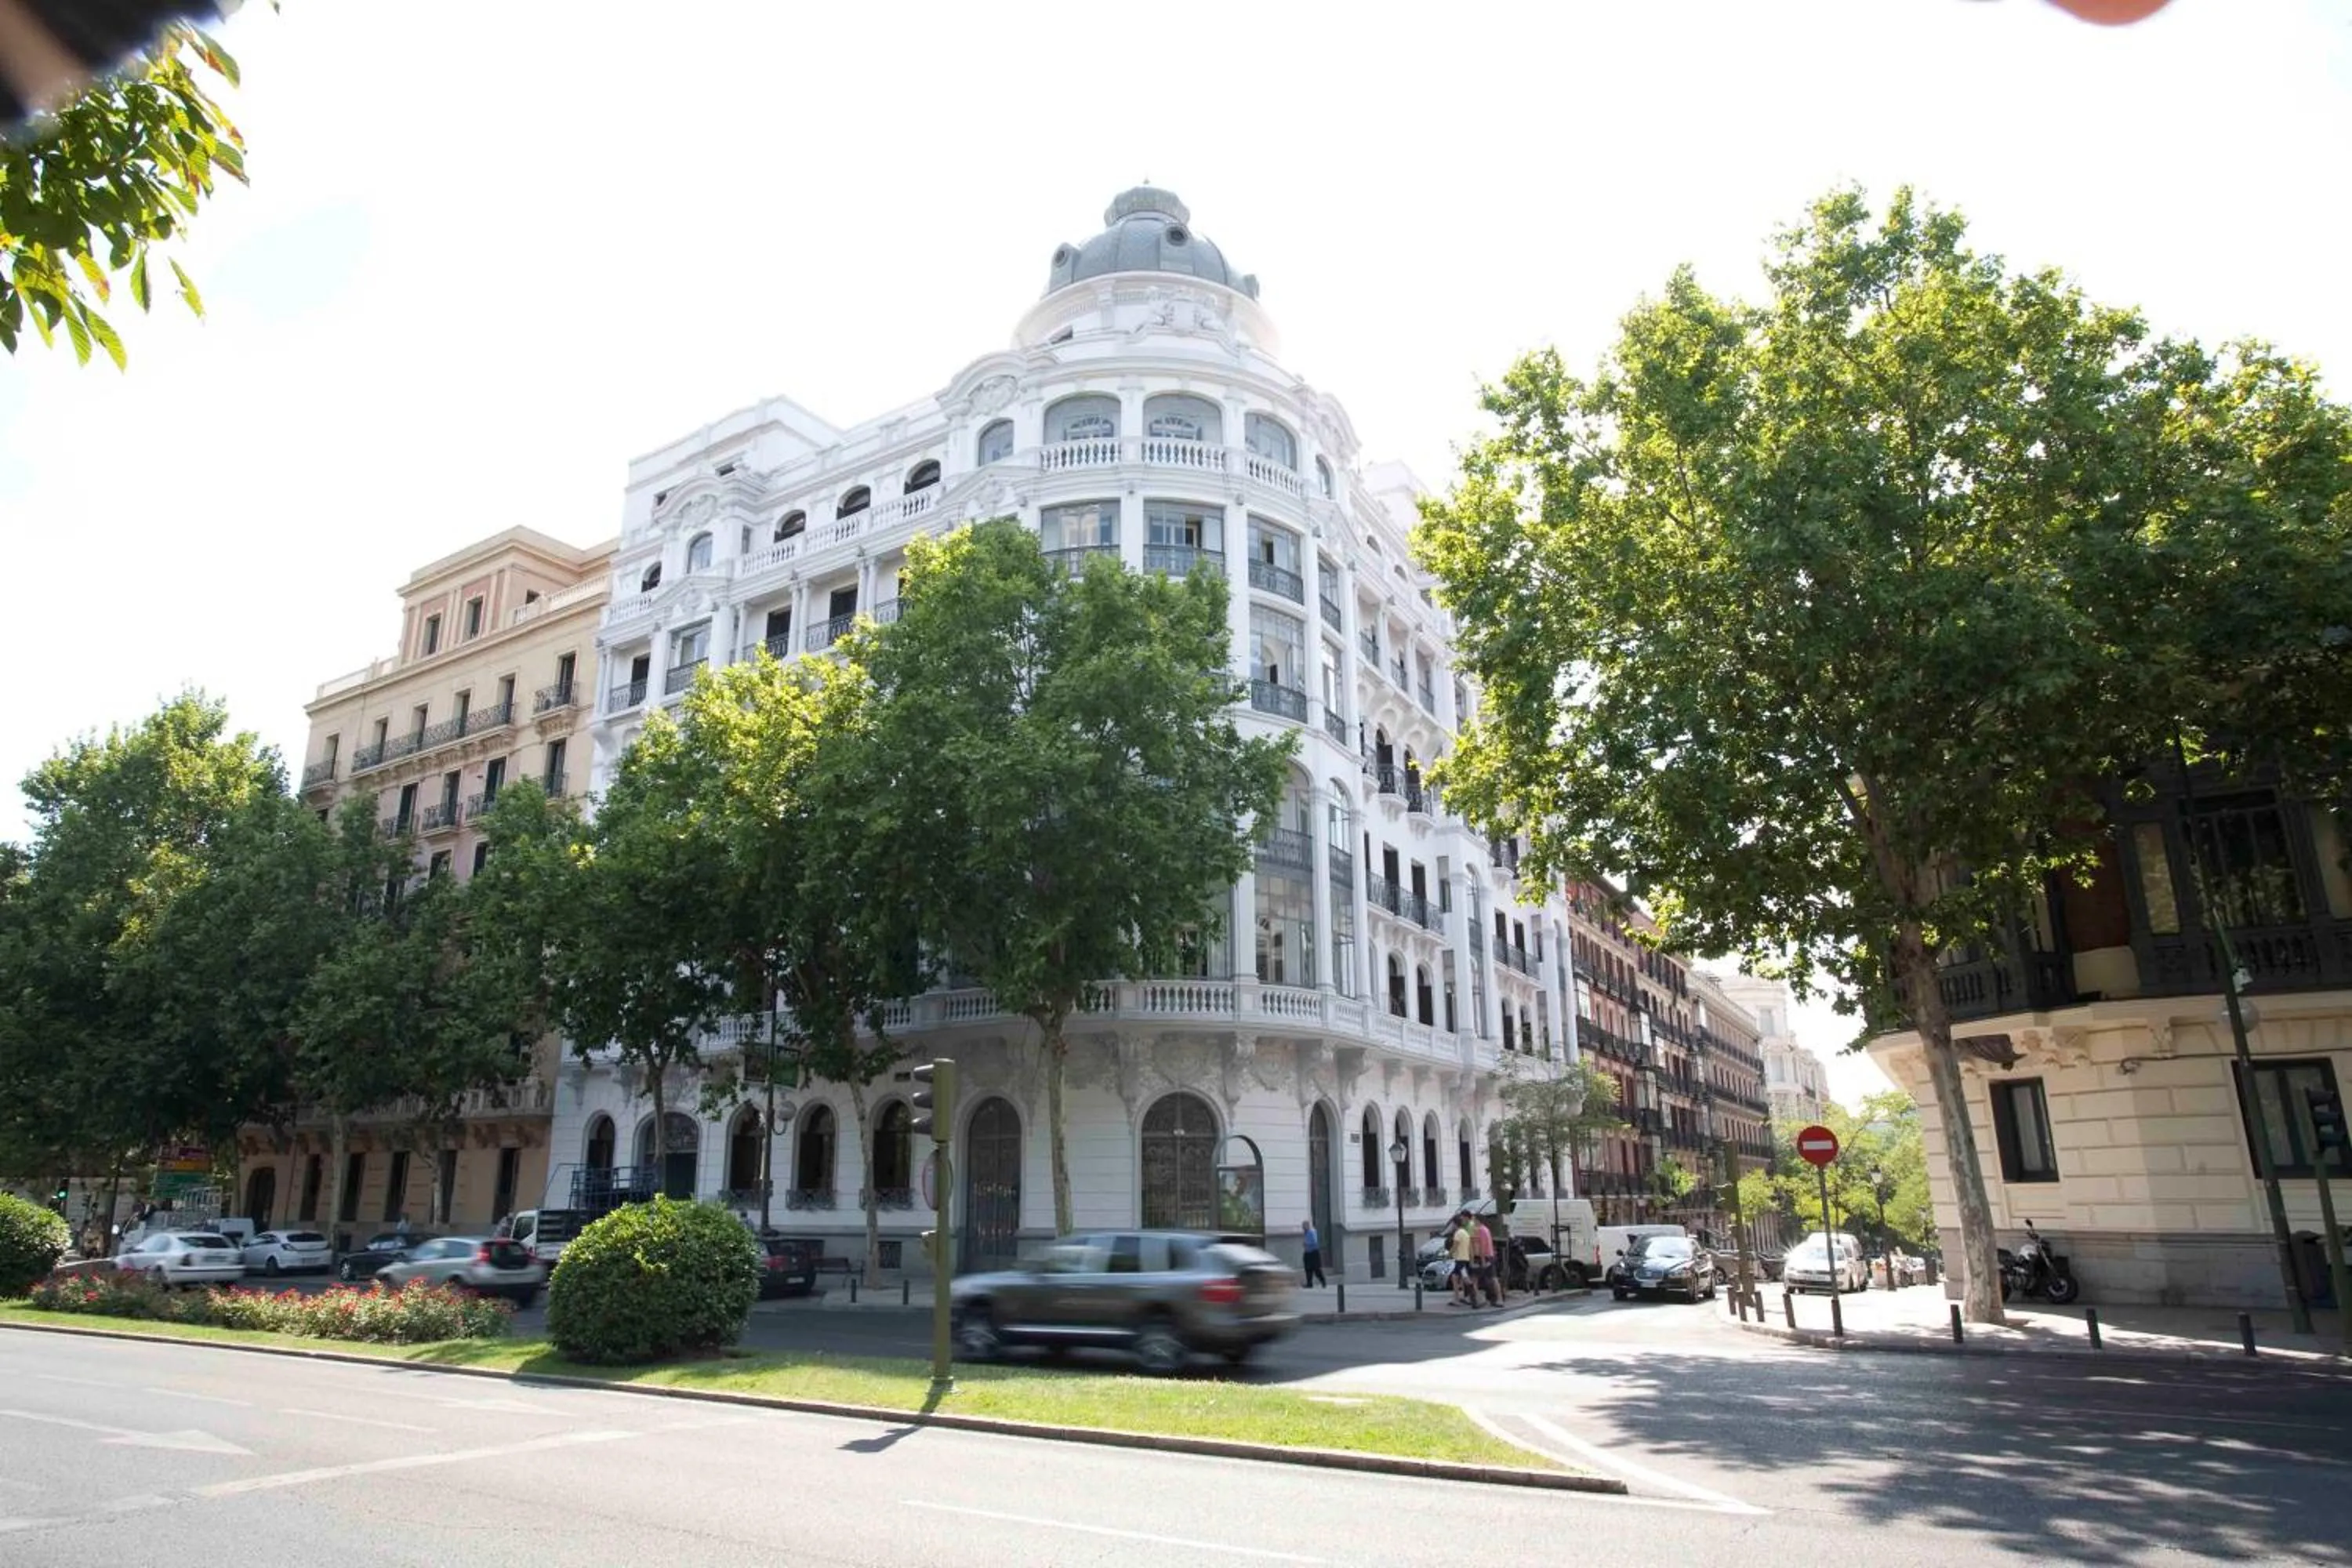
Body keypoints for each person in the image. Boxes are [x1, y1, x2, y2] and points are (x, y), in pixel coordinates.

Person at [1447, 1211, 1477, 1305]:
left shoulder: (1458, 1234)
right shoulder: (1465, 1232)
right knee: (1455, 1278)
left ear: (1455, 1224)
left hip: (1460, 1260)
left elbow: (1455, 1246)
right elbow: (1470, 1248)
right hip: (1464, 1259)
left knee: (1465, 1279)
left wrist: (1449, 1254)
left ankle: (1473, 1297)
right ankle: (1458, 1298)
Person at [1472, 1214, 1501, 1306]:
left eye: (1474, 1220)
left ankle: (1478, 1299)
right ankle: (1499, 1299)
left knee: (1475, 1278)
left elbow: (1482, 1246)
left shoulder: (1480, 1230)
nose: (1473, 1222)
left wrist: (1483, 1260)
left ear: (1478, 1220)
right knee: (1493, 1278)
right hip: (1490, 1255)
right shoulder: (1486, 1229)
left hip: (1484, 1257)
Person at [1300, 1218, 1327, 1288]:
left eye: (1304, 1226)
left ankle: (1323, 1281)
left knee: (1316, 1269)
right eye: (1303, 1226)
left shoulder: (1312, 1232)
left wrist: (1307, 1244)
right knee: (1308, 1269)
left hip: (1314, 1253)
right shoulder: (1306, 1233)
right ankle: (1309, 1283)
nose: (1303, 1228)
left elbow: (1315, 1241)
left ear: (1308, 1226)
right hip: (1308, 1253)